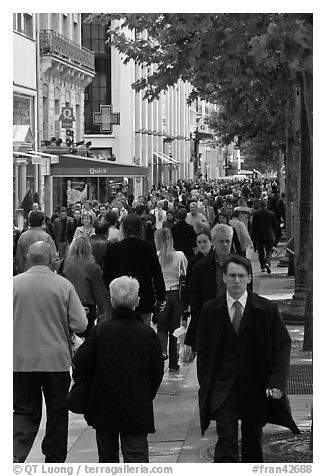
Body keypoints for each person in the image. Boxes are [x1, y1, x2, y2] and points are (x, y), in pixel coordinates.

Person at [197, 255, 299, 463]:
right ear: (224, 278)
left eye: (241, 276)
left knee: (252, 441)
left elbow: (282, 344)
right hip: (223, 388)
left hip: (256, 387)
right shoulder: (210, 310)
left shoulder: (265, 309)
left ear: (249, 278)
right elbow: (204, 351)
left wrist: (277, 382)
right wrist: (206, 382)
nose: (236, 280)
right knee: (226, 439)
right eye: (232, 275)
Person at [72, 276, 164, 463]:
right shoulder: (148, 335)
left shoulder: (100, 332)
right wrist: (147, 394)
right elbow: (157, 372)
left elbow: (80, 362)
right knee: (136, 457)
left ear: (112, 301)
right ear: (137, 302)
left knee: (107, 457)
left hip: (103, 405)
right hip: (137, 406)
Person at [13, 241, 87, 463]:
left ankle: (15, 454)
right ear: (52, 258)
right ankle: (54, 459)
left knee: (24, 411)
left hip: (20, 359)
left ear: (28, 257)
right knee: (57, 411)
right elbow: (80, 324)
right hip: (55, 360)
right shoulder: (63, 286)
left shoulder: (12, 285)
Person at [185, 223, 252, 351]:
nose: (225, 245)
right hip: (211, 324)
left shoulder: (243, 264)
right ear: (213, 242)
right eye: (221, 241)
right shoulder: (200, 267)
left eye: (228, 241)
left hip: (236, 321)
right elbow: (195, 300)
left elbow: (249, 294)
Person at [102, 214, 166, 326]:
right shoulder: (149, 247)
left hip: (120, 296)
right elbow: (156, 273)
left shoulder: (113, 248)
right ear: (141, 229)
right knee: (143, 333)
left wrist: (110, 294)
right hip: (143, 296)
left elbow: (107, 275)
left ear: (123, 229)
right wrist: (161, 296)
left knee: (120, 332)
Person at [59, 235, 107, 337]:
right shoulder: (93, 267)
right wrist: (102, 310)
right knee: (85, 337)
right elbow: (98, 291)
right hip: (86, 306)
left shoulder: (65, 262)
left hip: (66, 303)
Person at [155, 228, 188, 371]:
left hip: (162, 295)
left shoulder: (157, 256)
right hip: (177, 295)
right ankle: (174, 363)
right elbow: (185, 272)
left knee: (161, 329)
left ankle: (162, 355)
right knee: (174, 330)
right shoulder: (180, 255)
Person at [251, 199, 279, 274]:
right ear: (266, 205)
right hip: (269, 234)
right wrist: (274, 234)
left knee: (261, 252)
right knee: (269, 250)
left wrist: (253, 236)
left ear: (260, 205)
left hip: (259, 235)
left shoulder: (256, 214)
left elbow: (253, 226)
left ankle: (262, 266)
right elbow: (275, 225)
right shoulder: (271, 213)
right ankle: (267, 262)